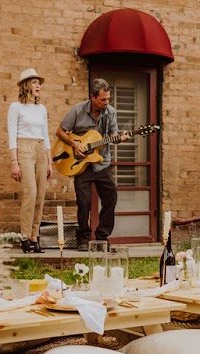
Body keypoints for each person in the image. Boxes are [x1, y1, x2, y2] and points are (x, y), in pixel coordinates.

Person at [56, 78, 129, 250]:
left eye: (108, 99)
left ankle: (102, 237)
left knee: (111, 196)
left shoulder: (111, 112)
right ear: (93, 97)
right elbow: (60, 131)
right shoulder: (78, 110)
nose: (106, 102)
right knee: (84, 201)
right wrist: (75, 144)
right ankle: (83, 238)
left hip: (102, 163)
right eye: (103, 99)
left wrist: (120, 138)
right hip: (81, 164)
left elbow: (113, 136)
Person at [8, 68, 52, 253]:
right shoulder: (15, 107)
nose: (38, 85)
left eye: (39, 82)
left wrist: (49, 161)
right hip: (24, 149)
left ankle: (35, 236)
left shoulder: (41, 109)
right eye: (34, 82)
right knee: (31, 193)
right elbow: (12, 135)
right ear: (26, 85)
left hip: (41, 149)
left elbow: (46, 135)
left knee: (40, 195)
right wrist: (14, 162)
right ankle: (24, 236)